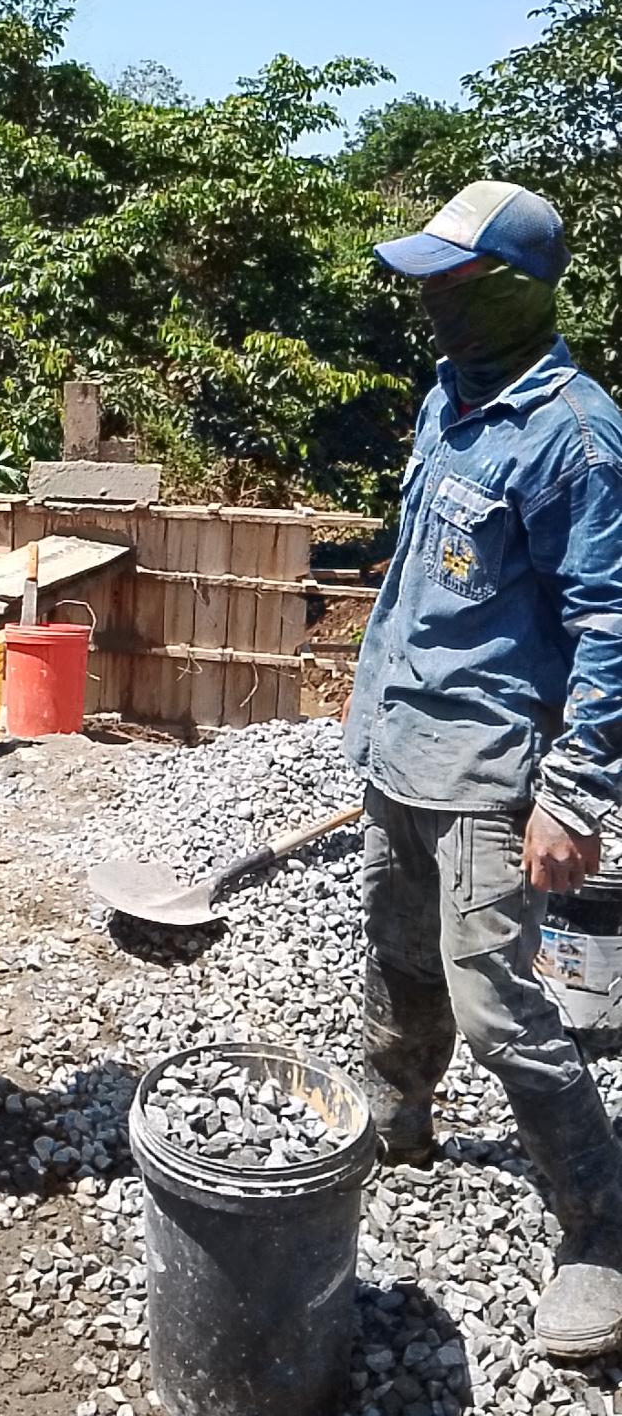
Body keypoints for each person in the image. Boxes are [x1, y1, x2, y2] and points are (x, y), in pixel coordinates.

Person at [344, 179, 622, 1361]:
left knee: (500, 1008)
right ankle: (395, 1123)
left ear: (513, 290)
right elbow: (423, 581)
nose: (429, 304)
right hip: (402, 745)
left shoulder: (577, 435)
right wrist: (370, 727)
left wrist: (574, 791)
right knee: (396, 951)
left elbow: (610, 624)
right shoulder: (449, 399)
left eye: (450, 283)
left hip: (489, 774)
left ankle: (602, 1229)